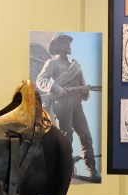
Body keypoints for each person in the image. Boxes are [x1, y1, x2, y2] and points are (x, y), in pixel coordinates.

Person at [36, 34, 101, 182]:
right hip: (62, 103)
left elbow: (84, 92)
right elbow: (41, 80)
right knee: (66, 137)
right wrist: (55, 87)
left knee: (86, 136)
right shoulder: (51, 63)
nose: (69, 45)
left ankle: (92, 170)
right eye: (65, 42)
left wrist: (85, 90)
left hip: (76, 103)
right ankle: (65, 169)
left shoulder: (75, 66)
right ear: (58, 46)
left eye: (68, 43)